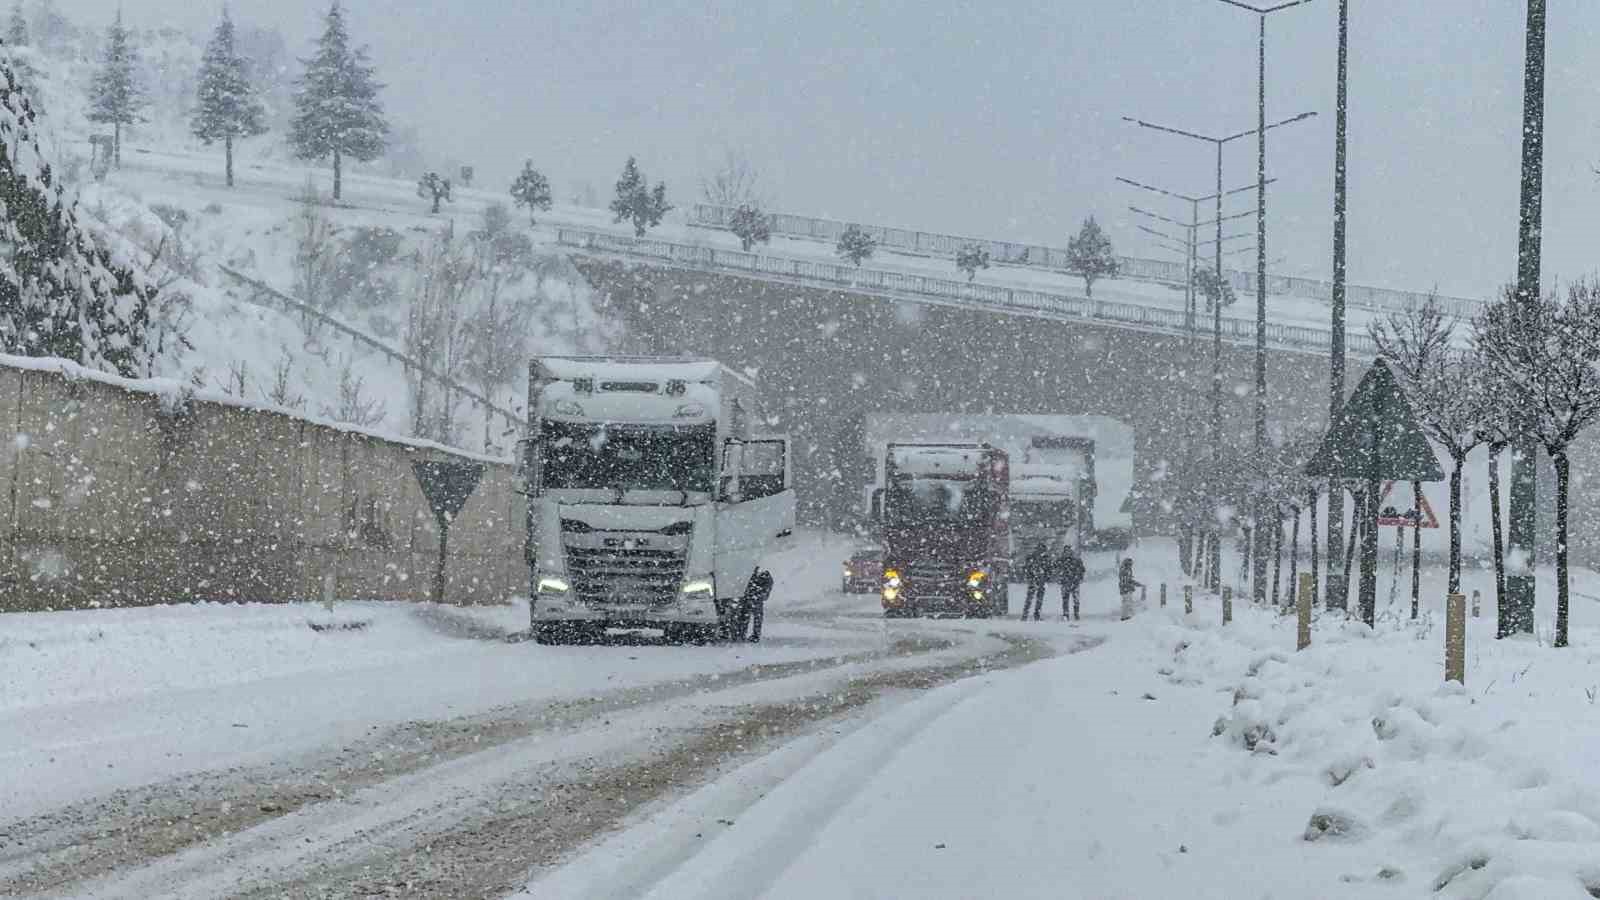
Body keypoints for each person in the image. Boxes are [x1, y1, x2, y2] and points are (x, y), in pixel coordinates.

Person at [1022, 542, 1051, 621]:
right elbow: (1049, 570)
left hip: (1037, 580)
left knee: (1031, 599)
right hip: (1038, 580)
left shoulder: (1033, 557)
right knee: (1036, 599)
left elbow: (1026, 568)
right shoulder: (1044, 558)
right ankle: (1034, 615)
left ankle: (1026, 615)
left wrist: (1029, 576)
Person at [1057, 544, 1086, 621]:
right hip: (1069, 582)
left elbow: (1082, 569)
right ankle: (1067, 614)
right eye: (1066, 551)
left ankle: (1074, 614)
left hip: (1072, 582)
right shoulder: (1063, 560)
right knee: (1067, 599)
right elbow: (1082, 569)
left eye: (1068, 551)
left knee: (1073, 599)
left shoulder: (1064, 560)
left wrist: (1079, 577)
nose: (1067, 552)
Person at [1118, 557, 1142, 622]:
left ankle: (1130, 615)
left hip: (1127, 589)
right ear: (1126, 564)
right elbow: (1126, 581)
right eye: (1130, 564)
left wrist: (1137, 584)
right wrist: (1132, 586)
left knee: (1129, 602)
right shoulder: (1124, 571)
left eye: (1131, 564)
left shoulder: (1128, 570)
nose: (1131, 565)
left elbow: (1129, 580)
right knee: (1126, 603)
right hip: (1125, 590)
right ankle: (1124, 616)